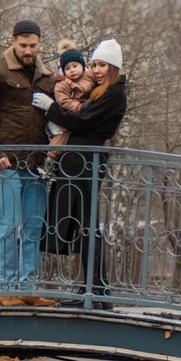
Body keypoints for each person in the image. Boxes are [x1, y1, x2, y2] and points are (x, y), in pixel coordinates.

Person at [0, 19, 54, 292]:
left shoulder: (47, 77)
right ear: (13, 41)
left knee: (33, 228)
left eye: (33, 45)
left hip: (36, 165)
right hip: (5, 164)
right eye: (23, 45)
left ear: (39, 44)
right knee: (6, 227)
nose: (29, 50)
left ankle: (28, 289)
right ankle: (5, 290)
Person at [43, 38, 129, 300]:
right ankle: (94, 287)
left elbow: (82, 121)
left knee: (88, 225)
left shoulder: (114, 92)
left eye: (102, 65)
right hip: (79, 160)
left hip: (87, 161)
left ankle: (96, 289)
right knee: (84, 224)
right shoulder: (101, 90)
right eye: (94, 64)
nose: (97, 69)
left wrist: (51, 108)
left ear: (113, 67)